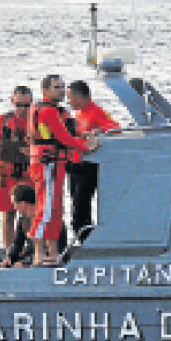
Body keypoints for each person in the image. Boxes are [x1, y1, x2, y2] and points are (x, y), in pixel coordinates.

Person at [28, 75, 96, 266]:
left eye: (62, 87)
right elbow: (64, 138)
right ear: (46, 90)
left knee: (56, 209)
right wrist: (86, 146)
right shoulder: (47, 111)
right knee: (46, 209)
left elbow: (67, 133)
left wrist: (84, 135)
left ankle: (54, 252)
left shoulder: (58, 111)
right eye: (57, 87)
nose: (61, 90)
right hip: (46, 165)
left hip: (56, 164)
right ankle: (39, 254)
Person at [67, 80, 119, 242]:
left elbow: (115, 127)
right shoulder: (79, 113)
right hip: (75, 165)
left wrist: (97, 131)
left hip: (87, 166)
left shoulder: (96, 112)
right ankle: (84, 236)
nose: (68, 101)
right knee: (76, 203)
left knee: (81, 205)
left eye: (70, 98)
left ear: (80, 97)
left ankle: (86, 237)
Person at [0, 85, 33, 250]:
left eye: (27, 105)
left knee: (29, 213)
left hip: (28, 175)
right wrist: (2, 148)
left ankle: (29, 248)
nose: (23, 109)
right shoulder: (3, 120)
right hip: (8, 175)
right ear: (12, 102)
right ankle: (9, 250)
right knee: (8, 213)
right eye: (19, 104)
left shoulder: (36, 121)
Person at [1, 184, 67, 268]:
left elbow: (53, 251)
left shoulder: (51, 221)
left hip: (49, 260)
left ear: (23, 204)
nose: (14, 207)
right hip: (32, 256)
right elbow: (17, 244)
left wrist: (26, 264)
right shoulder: (23, 221)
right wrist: (10, 258)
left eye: (14, 204)